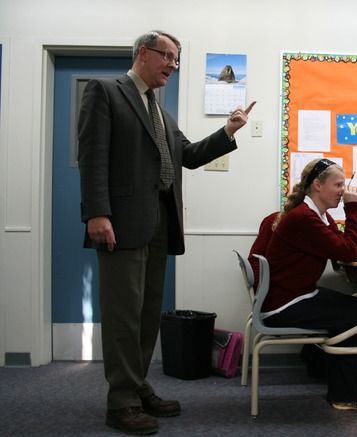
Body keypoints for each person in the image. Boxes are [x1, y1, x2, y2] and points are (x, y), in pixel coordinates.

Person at [78, 30, 255, 435]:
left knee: (145, 316)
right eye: (169, 58)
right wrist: (97, 213)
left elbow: (188, 157)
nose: (173, 66)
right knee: (124, 316)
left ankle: (137, 388)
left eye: (176, 61)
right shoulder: (106, 92)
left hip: (158, 224)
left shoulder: (159, 110)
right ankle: (120, 402)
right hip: (119, 224)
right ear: (144, 53)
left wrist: (228, 130)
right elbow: (92, 157)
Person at [263, 158, 357, 410]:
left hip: (295, 295)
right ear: (317, 186)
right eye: (338, 185)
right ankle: (348, 395)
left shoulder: (316, 215)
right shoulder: (304, 218)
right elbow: (350, 252)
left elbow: (344, 247)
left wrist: (348, 240)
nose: (343, 191)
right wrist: (354, 209)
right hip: (286, 304)